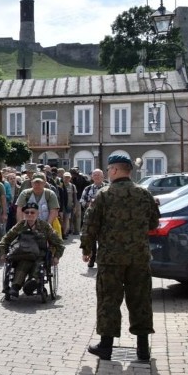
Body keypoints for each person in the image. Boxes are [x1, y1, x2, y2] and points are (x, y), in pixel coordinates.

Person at [81, 155, 160, 362]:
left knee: (109, 300)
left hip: (110, 259)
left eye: (108, 169)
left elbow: (90, 225)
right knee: (141, 300)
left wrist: (86, 248)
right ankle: (143, 349)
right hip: (139, 258)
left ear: (115, 170)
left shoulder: (104, 195)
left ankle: (106, 347)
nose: (108, 173)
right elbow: (153, 223)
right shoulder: (145, 194)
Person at [0, 201, 64, 298]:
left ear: (37, 213)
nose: (29, 214)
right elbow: (5, 239)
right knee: (25, 260)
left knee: (37, 262)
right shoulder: (20, 226)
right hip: (23, 253)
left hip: (40, 254)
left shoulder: (44, 226)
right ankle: (17, 286)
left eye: (32, 212)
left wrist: (56, 257)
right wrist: (3, 253)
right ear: (24, 214)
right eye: (27, 212)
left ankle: (31, 282)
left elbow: (59, 243)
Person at [79, 168, 106, 268]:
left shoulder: (108, 188)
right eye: (95, 175)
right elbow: (82, 201)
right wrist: (89, 204)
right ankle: (92, 258)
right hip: (91, 219)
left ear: (103, 176)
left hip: (104, 219)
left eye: (99, 175)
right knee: (91, 240)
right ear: (92, 177)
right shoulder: (88, 189)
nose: (97, 177)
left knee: (103, 240)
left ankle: (101, 259)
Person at [59, 172, 78, 238]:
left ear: (70, 178)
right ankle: (61, 233)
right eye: (65, 177)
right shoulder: (60, 185)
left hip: (69, 205)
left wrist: (75, 206)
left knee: (66, 220)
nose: (67, 178)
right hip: (61, 206)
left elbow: (75, 197)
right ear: (63, 178)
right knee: (61, 220)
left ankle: (64, 233)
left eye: (68, 177)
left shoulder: (73, 186)